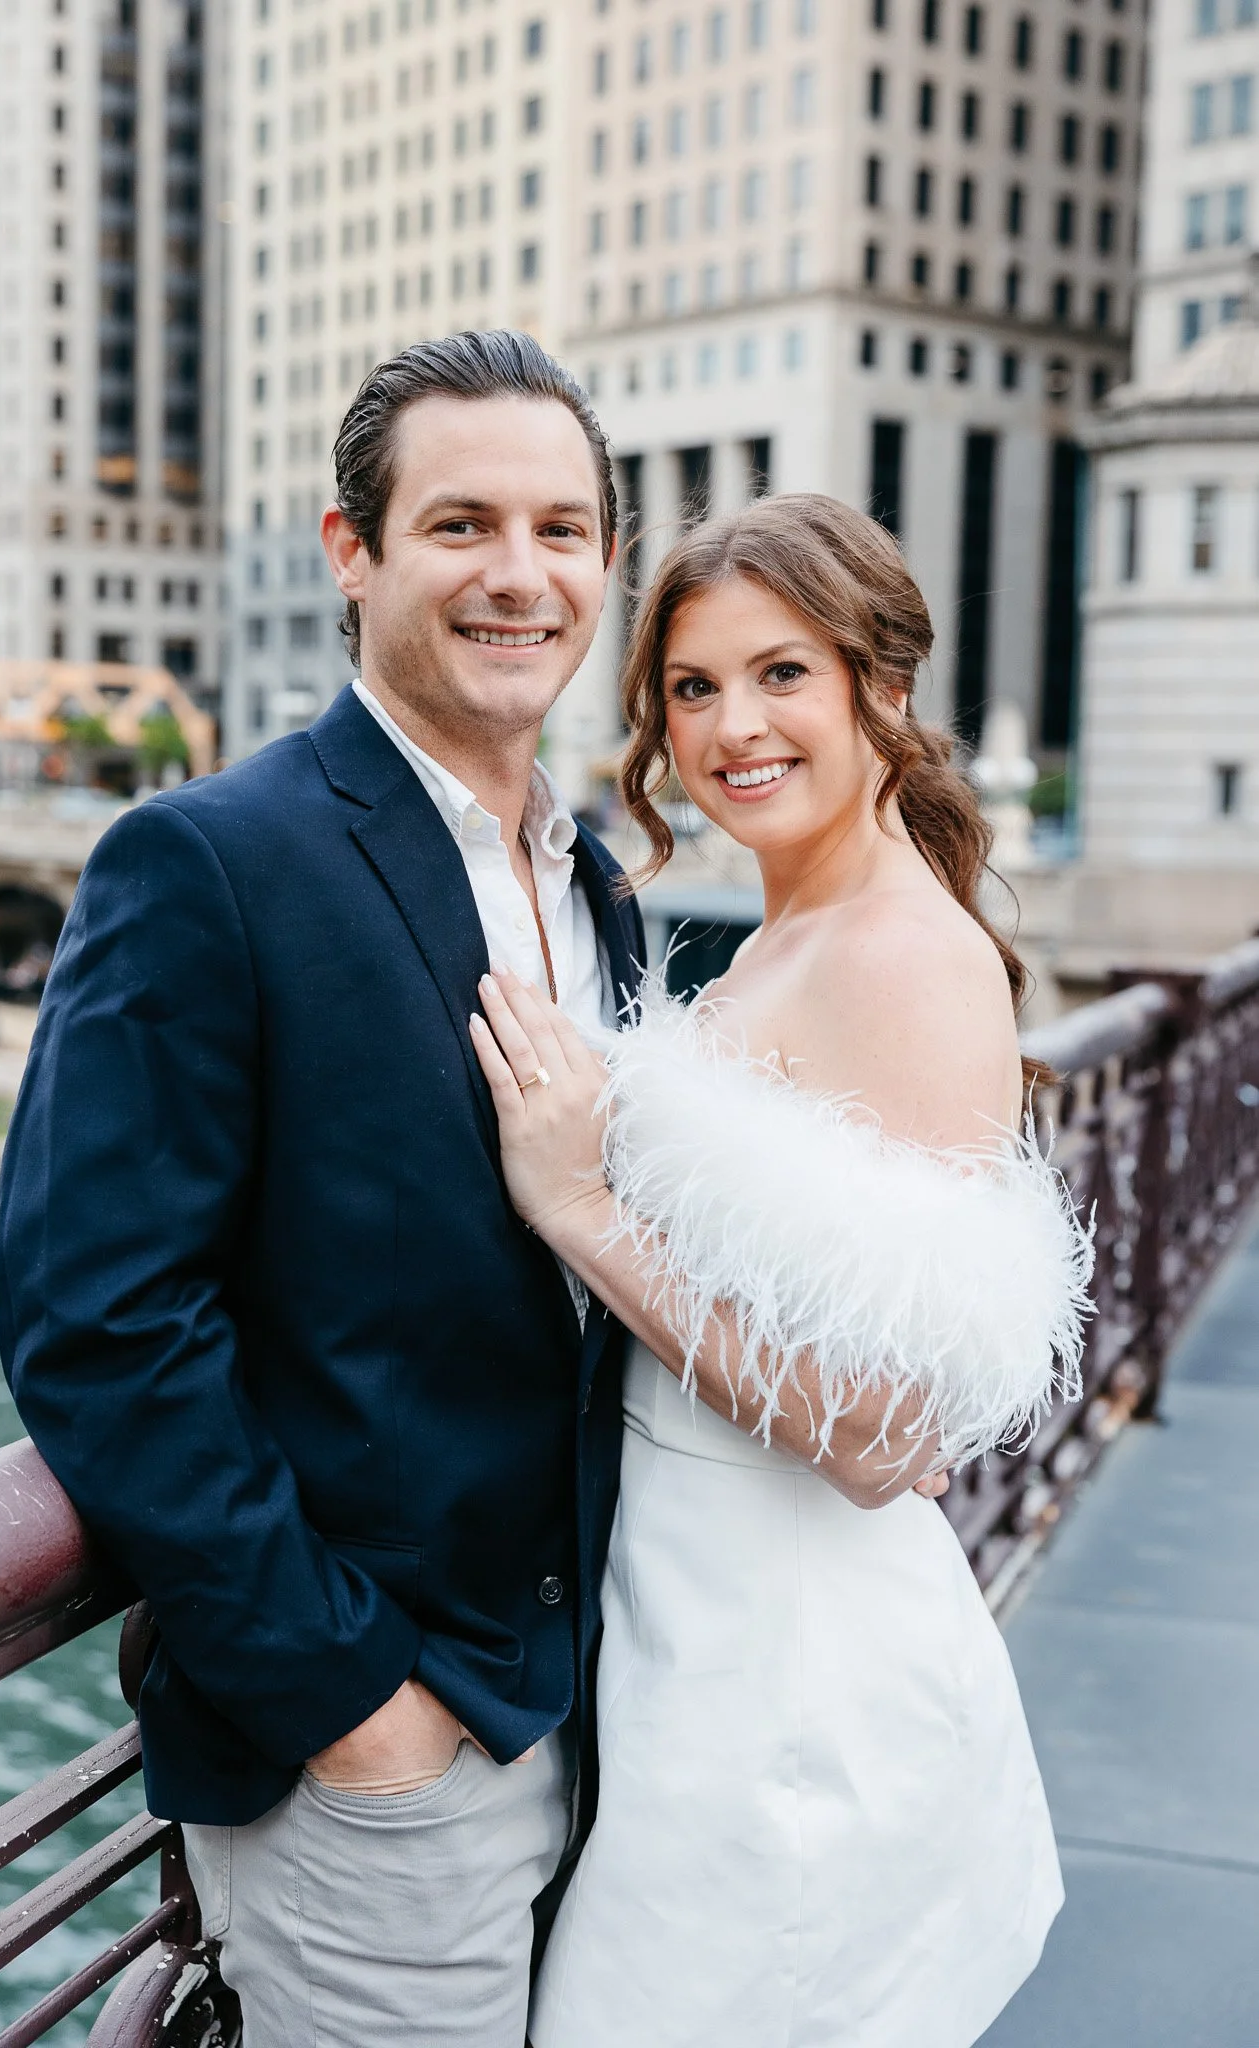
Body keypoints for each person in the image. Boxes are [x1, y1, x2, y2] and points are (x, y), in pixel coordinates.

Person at [0, 330, 652, 2048]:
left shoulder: (598, 889)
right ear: (351, 551)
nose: (522, 576)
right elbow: (97, 1323)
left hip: (612, 1726)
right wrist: (354, 1699)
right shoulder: (206, 860)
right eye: (462, 526)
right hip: (381, 1766)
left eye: (565, 530)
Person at [469, 494, 1094, 2048]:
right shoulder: (780, 942)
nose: (731, 726)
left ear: (881, 688)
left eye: (781, 674)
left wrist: (580, 1211)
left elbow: (887, 1444)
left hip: (791, 1685)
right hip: (696, 1635)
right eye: (692, 688)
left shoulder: (901, 956)